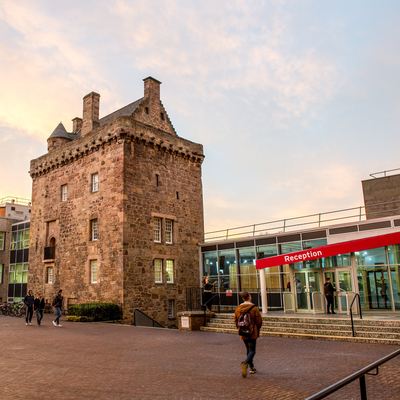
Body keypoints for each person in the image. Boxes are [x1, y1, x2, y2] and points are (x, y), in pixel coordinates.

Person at [234, 291, 263, 378]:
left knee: (248, 349)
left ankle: (252, 367)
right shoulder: (254, 308)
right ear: (249, 297)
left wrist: (240, 328)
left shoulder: (238, 309)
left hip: (243, 331)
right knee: (252, 350)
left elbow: (236, 320)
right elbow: (259, 321)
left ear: (243, 298)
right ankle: (246, 363)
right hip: (252, 331)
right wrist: (257, 328)